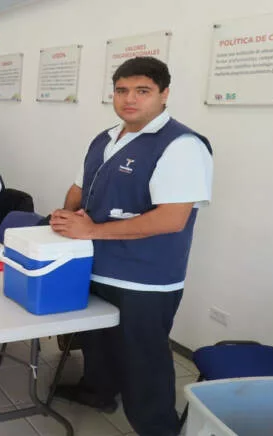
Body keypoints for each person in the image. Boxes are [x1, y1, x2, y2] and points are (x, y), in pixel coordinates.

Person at [49, 57, 213, 436]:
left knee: (144, 361)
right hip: (95, 264)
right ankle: (98, 391)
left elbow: (172, 218)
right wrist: (64, 215)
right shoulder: (105, 138)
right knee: (98, 343)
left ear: (164, 94)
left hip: (145, 278)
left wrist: (91, 231)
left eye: (143, 91)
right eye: (122, 91)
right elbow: (80, 186)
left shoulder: (182, 145)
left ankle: (158, 428)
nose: (130, 100)